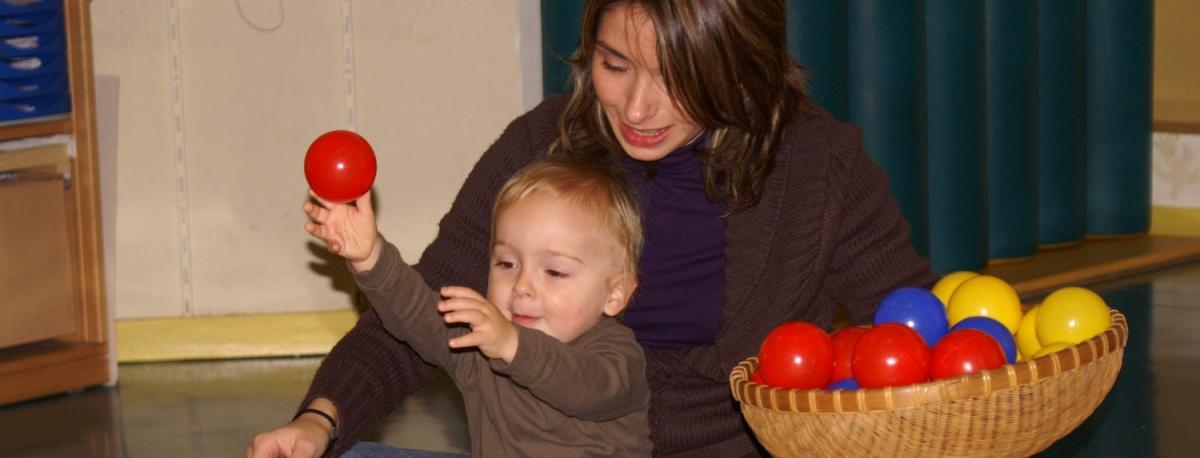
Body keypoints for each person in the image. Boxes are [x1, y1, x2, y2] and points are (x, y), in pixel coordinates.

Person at [250, 0, 937, 456]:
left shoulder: (817, 168)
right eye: (615, 65)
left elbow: (917, 333)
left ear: (740, 66)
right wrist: (322, 420)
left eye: (681, 79)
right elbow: (422, 316)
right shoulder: (537, 149)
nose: (638, 106)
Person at [260, 157, 653, 457]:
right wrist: (369, 256)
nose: (522, 286)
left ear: (614, 294)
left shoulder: (616, 359)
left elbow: (582, 387)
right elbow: (416, 312)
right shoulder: (482, 341)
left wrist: (513, 345)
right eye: (506, 263)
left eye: (554, 271)